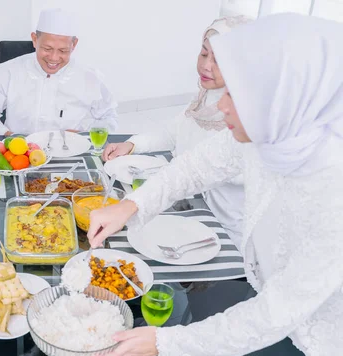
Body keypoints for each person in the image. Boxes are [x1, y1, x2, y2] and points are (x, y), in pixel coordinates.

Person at [85, 14, 343, 356]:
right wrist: (130, 207)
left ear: (280, 99)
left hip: (314, 355)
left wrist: (166, 343)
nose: (221, 106)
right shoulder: (269, 132)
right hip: (261, 307)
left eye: (235, 95)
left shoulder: (333, 192)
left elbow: (275, 313)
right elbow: (193, 167)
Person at [103, 16, 251, 248]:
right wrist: (133, 144)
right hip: (183, 202)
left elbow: (201, 170)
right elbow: (174, 130)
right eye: (204, 54)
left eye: (219, 60)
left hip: (222, 229)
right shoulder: (207, 95)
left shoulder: (247, 116)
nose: (205, 65)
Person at [0, 8, 118, 137]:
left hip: (69, 151)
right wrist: (8, 135)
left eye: (63, 51)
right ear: (34, 39)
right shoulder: (8, 71)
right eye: (47, 49)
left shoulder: (90, 77)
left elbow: (109, 116)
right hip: (19, 154)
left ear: (73, 45)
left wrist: (85, 135)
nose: (54, 58)